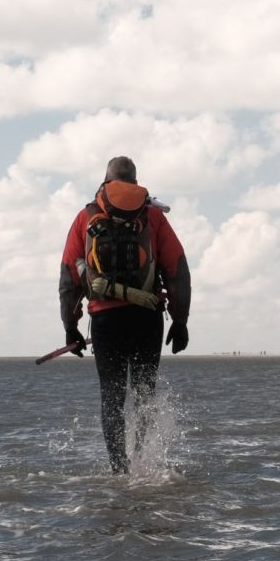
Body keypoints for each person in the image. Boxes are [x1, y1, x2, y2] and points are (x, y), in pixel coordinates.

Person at [58, 156, 192, 474]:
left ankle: (120, 471)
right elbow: (177, 271)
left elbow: (69, 277)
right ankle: (143, 460)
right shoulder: (153, 217)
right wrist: (181, 319)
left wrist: (70, 327)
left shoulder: (85, 218)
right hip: (147, 318)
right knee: (145, 392)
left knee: (112, 397)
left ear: (105, 182)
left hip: (105, 321)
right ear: (135, 182)